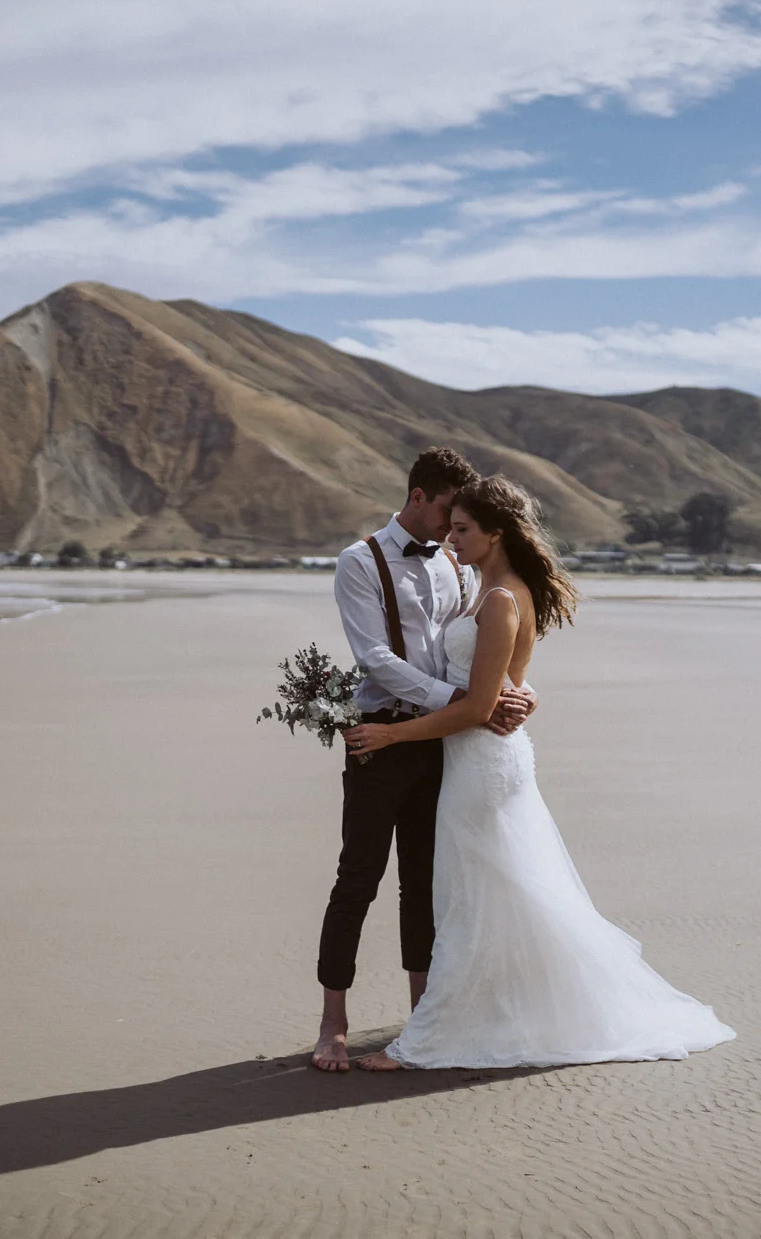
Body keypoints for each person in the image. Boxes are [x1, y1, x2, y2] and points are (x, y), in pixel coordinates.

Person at [342, 475, 735, 1070]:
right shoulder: (489, 587)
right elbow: (505, 684)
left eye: (463, 529)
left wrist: (390, 733)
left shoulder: (501, 598)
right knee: (498, 892)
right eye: (452, 527)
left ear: (496, 533)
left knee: (471, 899)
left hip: (481, 762)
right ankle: (491, 1013)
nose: (452, 538)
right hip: (480, 758)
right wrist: (522, 694)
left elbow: (478, 708)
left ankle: (434, 1036)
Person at [313, 448, 538, 1073]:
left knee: (424, 885)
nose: (452, 529)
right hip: (380, 737)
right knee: (356, 880)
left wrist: (516, 695)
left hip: (448, 744)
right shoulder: (360, 561)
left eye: (461, 521)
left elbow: (488, 650)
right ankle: (333, 1025)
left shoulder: (459, 563)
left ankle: (420, 1022)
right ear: (419, 497)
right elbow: (375, 659)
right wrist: (464, 702)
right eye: (447, 513)